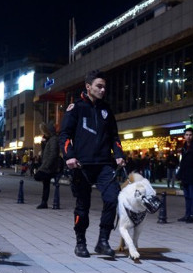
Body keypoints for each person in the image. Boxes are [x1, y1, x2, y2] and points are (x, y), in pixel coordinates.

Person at [59, 70, 126, 257]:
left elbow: (114, 136)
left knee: (113, 199)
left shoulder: (106, 109)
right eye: (99, 86)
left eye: (104, 86)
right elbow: (64, 135)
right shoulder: (76, 108)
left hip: (105, 164)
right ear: (88, 87)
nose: (103, 89)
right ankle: (80, 242)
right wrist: (69, 156)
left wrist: (119, 154)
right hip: (82, 165)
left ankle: (103, 241)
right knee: (83, 206)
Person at [177, 127, 193, 223]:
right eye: (187, 135)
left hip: (192, 175)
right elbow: (182, 162)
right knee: (187, 196)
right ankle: (187, 215)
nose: (188, 137)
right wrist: (179, 175)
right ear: (184, 136)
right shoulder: (184, 146)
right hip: (185, 175)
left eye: (190, 135)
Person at [35, 123, 61, 209]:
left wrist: (47, 166)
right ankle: (44, 202)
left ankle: (45, 202)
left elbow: (53, 154)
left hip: (50, 167)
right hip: (47, 165)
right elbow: (44, 154)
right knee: (45, 184)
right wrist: (43, 144)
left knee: (38, 176)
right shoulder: (49, 140)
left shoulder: (53, 140)